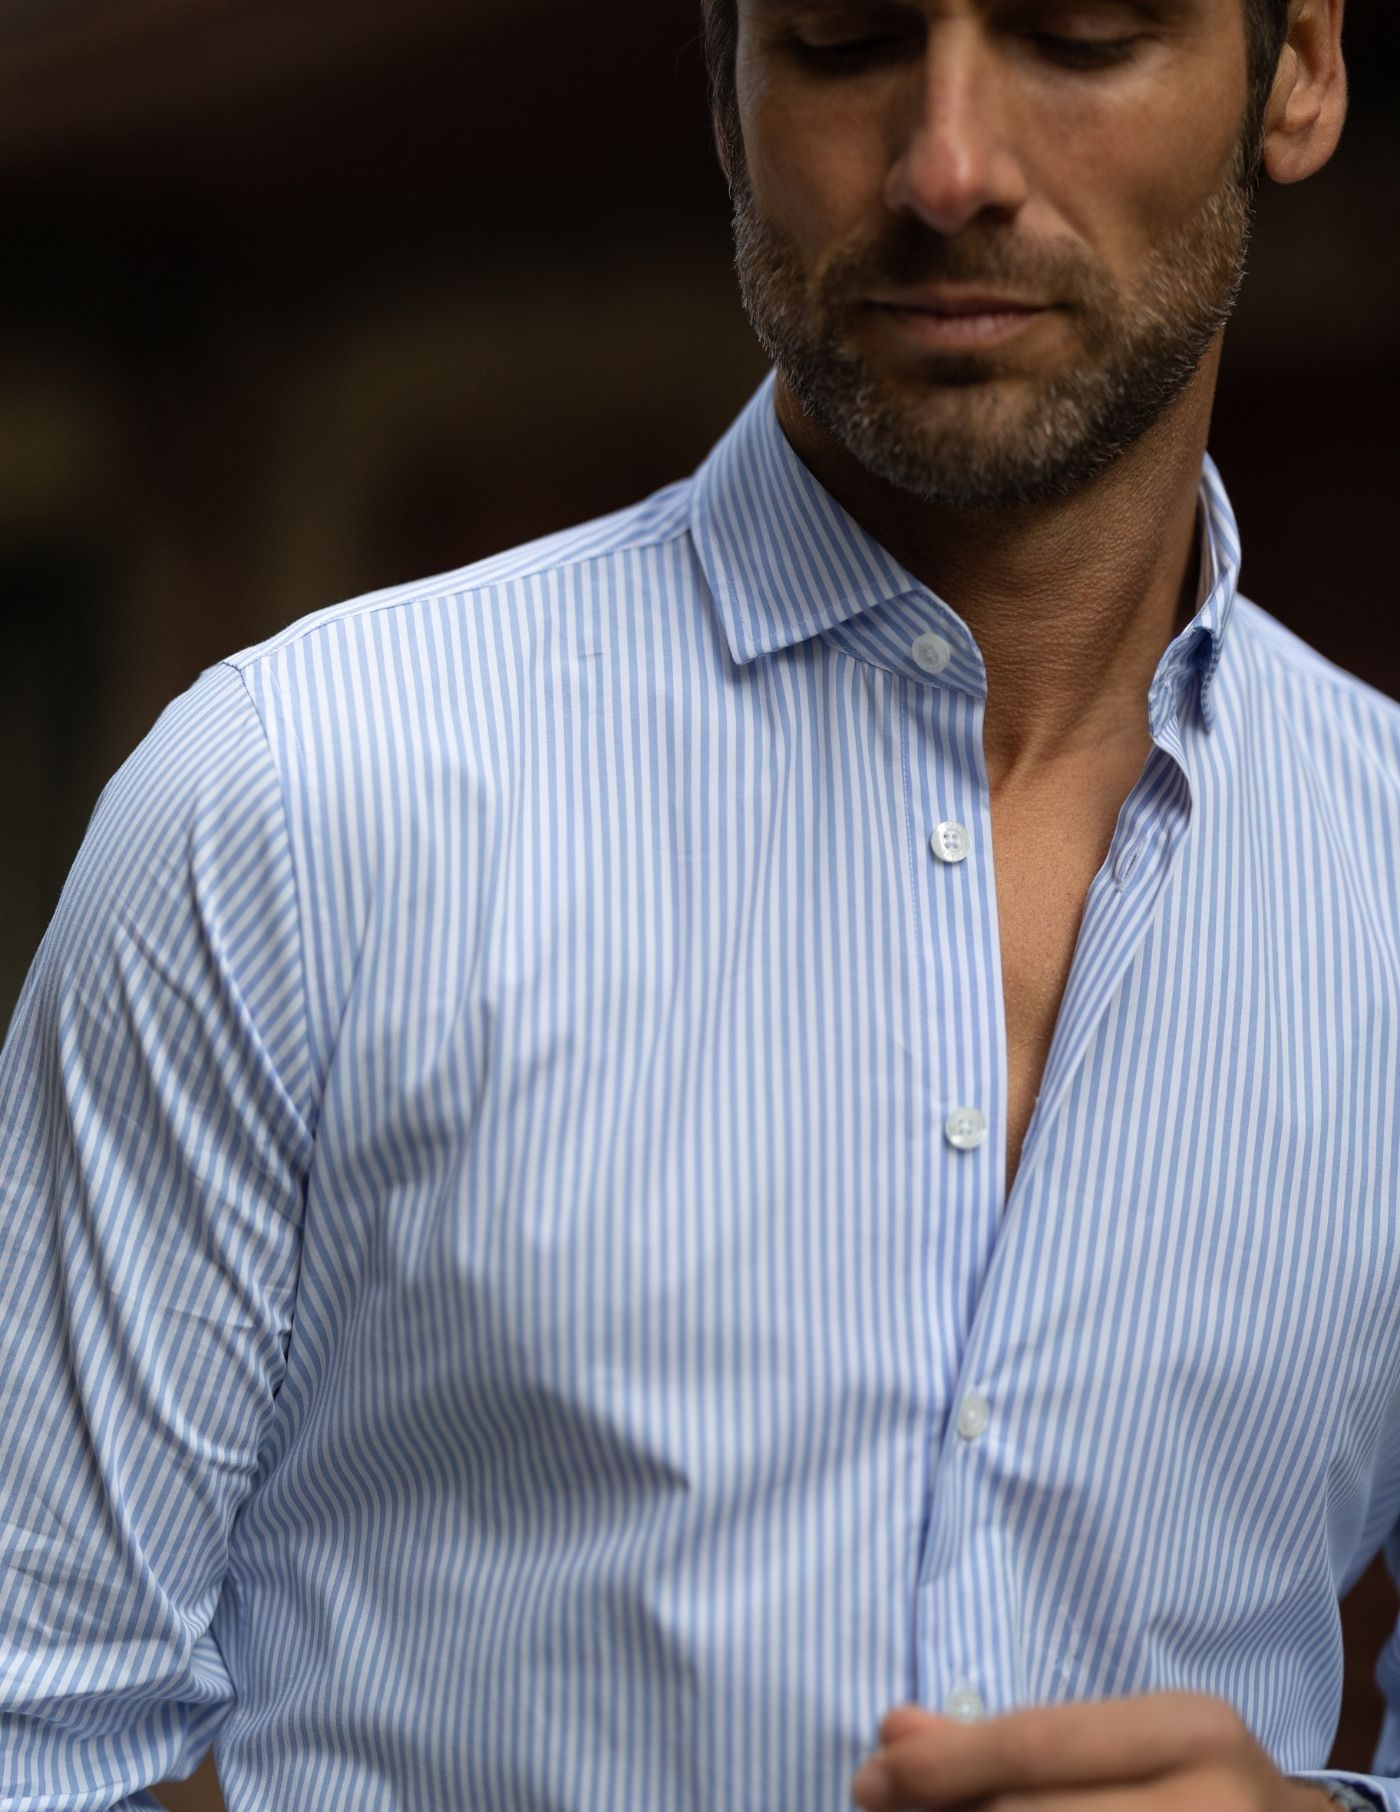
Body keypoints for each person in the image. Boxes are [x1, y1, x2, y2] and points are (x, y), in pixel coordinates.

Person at [0, 0, 1391, 1807]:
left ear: (1299, 69)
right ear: (726, 85)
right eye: (842, 39)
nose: (949, 166)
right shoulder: (294, 805)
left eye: (1079, 33)